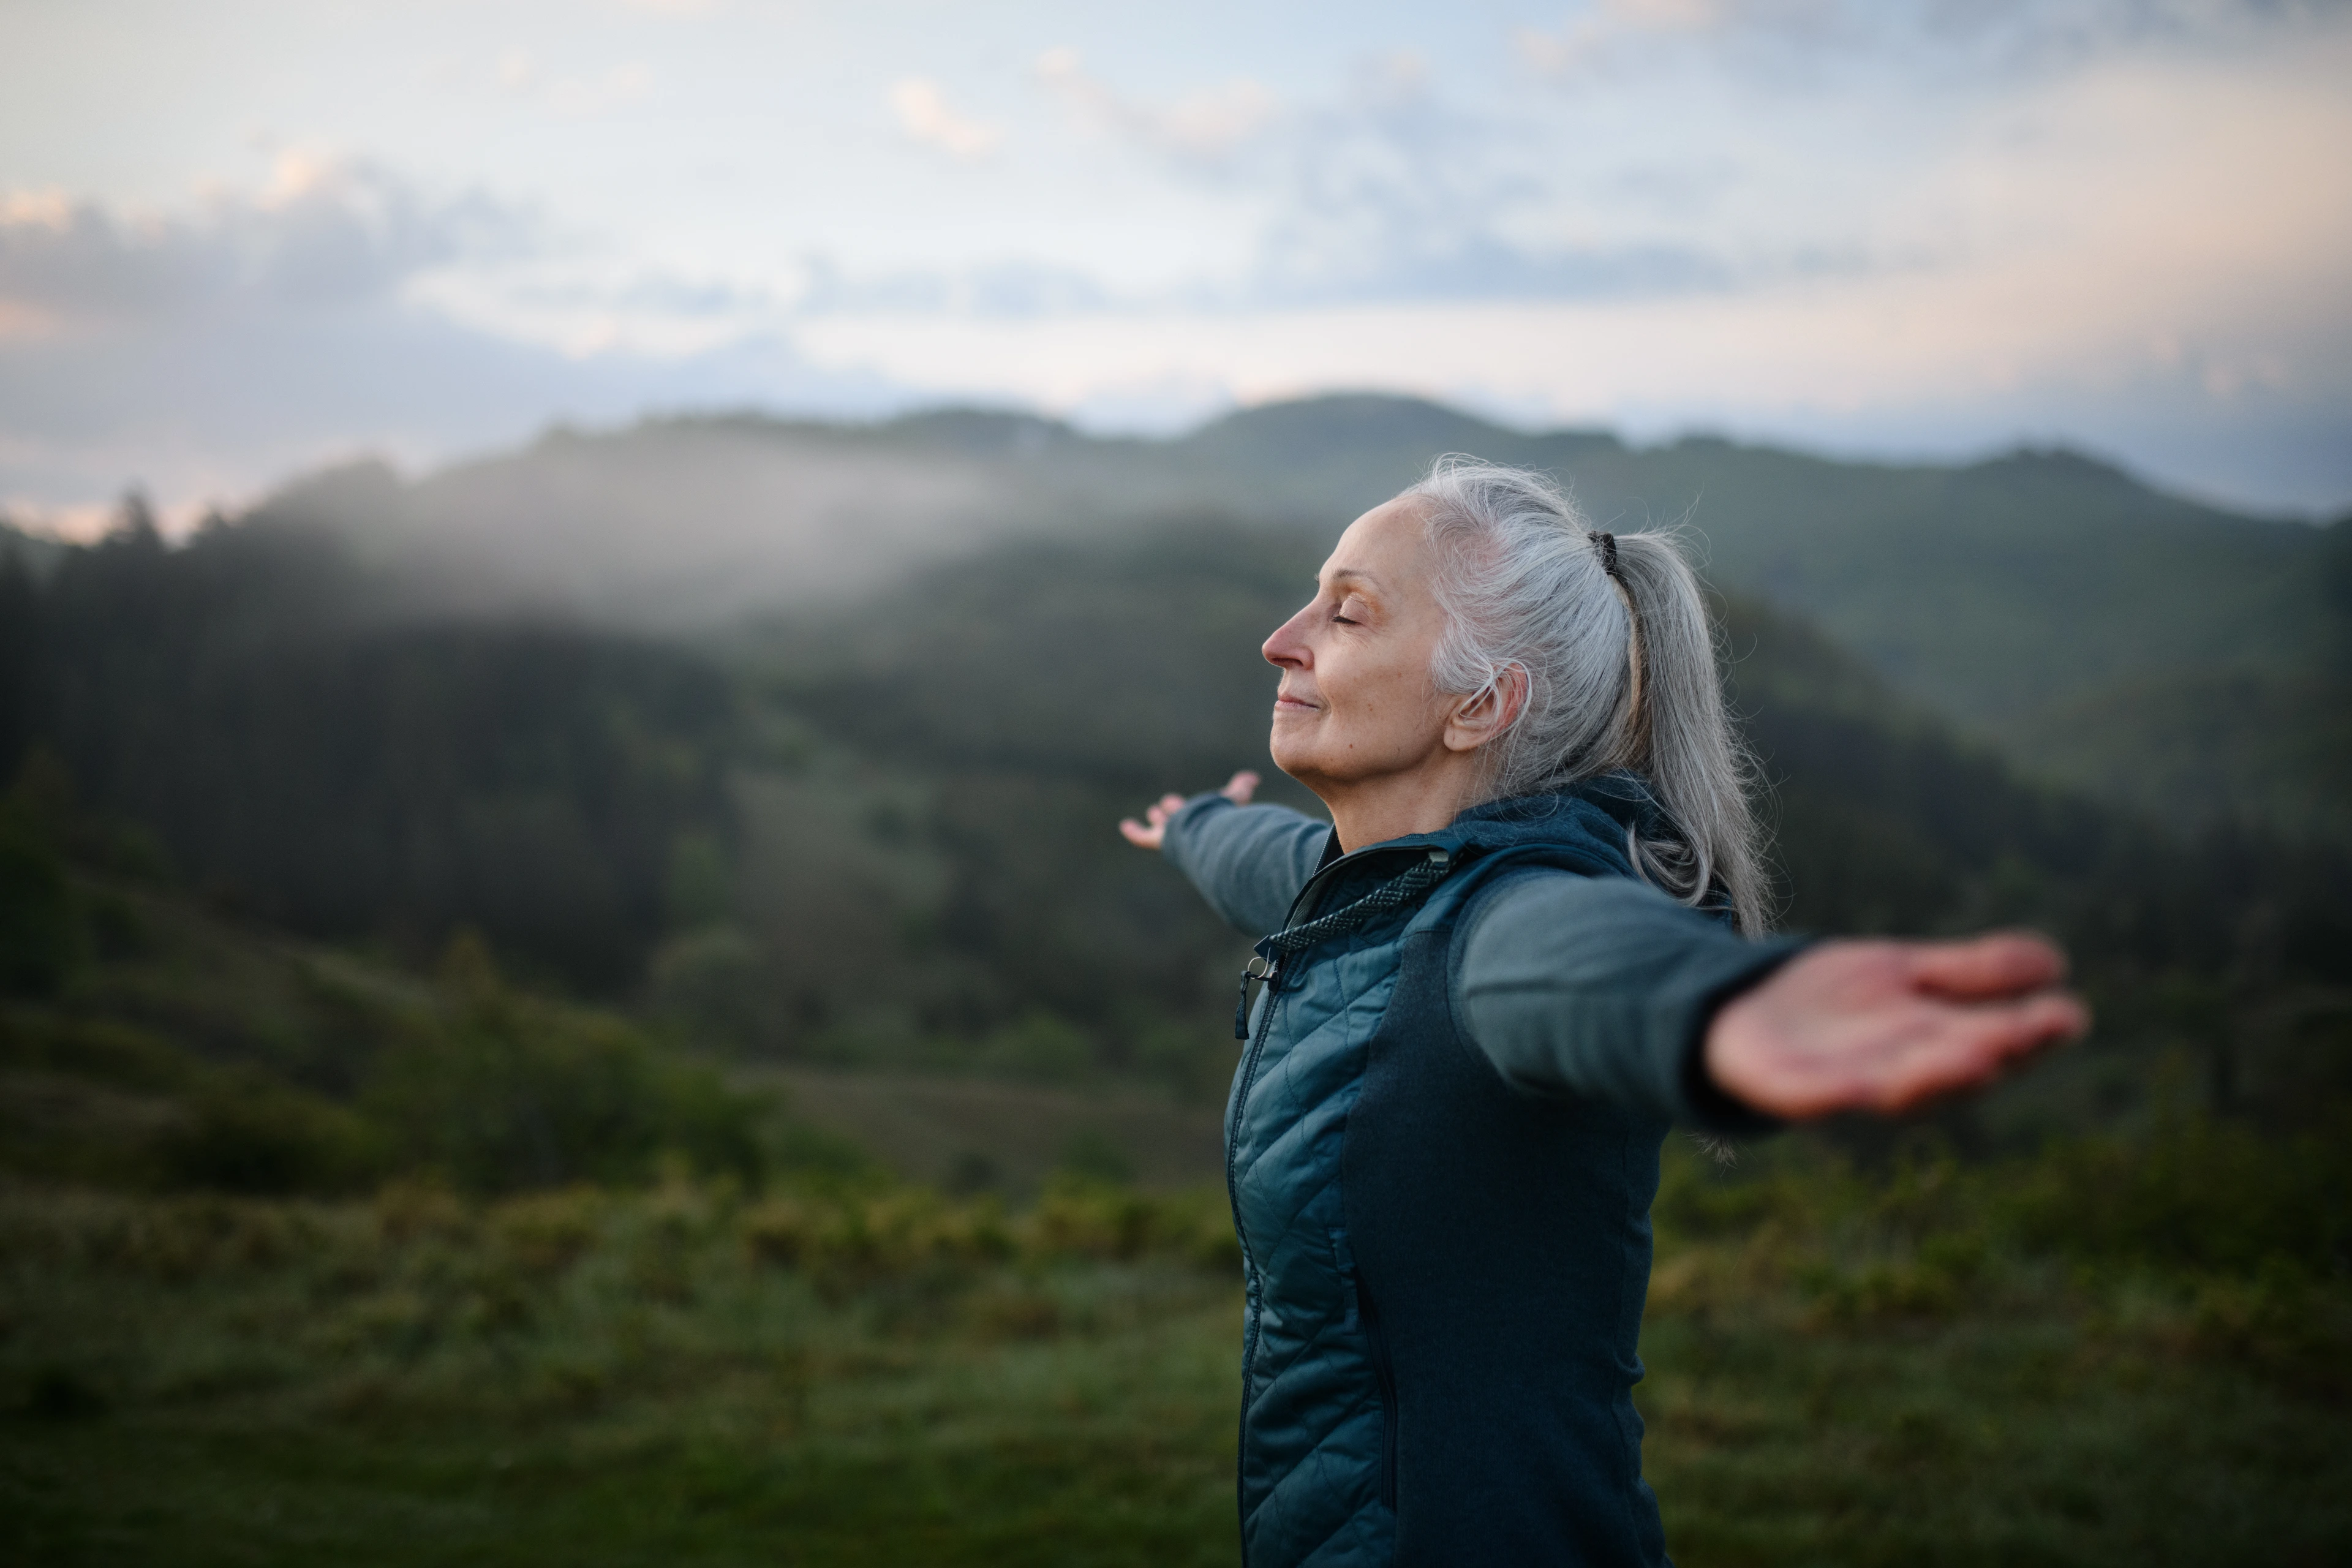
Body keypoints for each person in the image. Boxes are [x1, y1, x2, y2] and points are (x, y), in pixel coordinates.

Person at [1117, 460, 2089, 1568]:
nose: (1282, 640)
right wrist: (1192, 827)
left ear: (1481, 704)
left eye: (1346, 612)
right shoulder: (1381, 886)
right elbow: (1278, 865)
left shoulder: (1499, 922)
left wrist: (1717, 1009)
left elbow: (1576, 965)